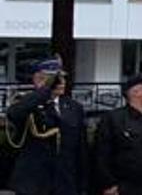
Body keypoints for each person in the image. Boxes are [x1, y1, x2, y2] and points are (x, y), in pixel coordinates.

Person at [6, 58, 86, 195]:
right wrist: (44, 91)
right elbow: (14, 114)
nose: (61, 83)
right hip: (33, 182)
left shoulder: (74, 107)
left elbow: (80, 148)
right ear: (38, 79)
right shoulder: (28, 101)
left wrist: (83, 184)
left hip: (64, 182)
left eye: (63, 78)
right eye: (55, 79)